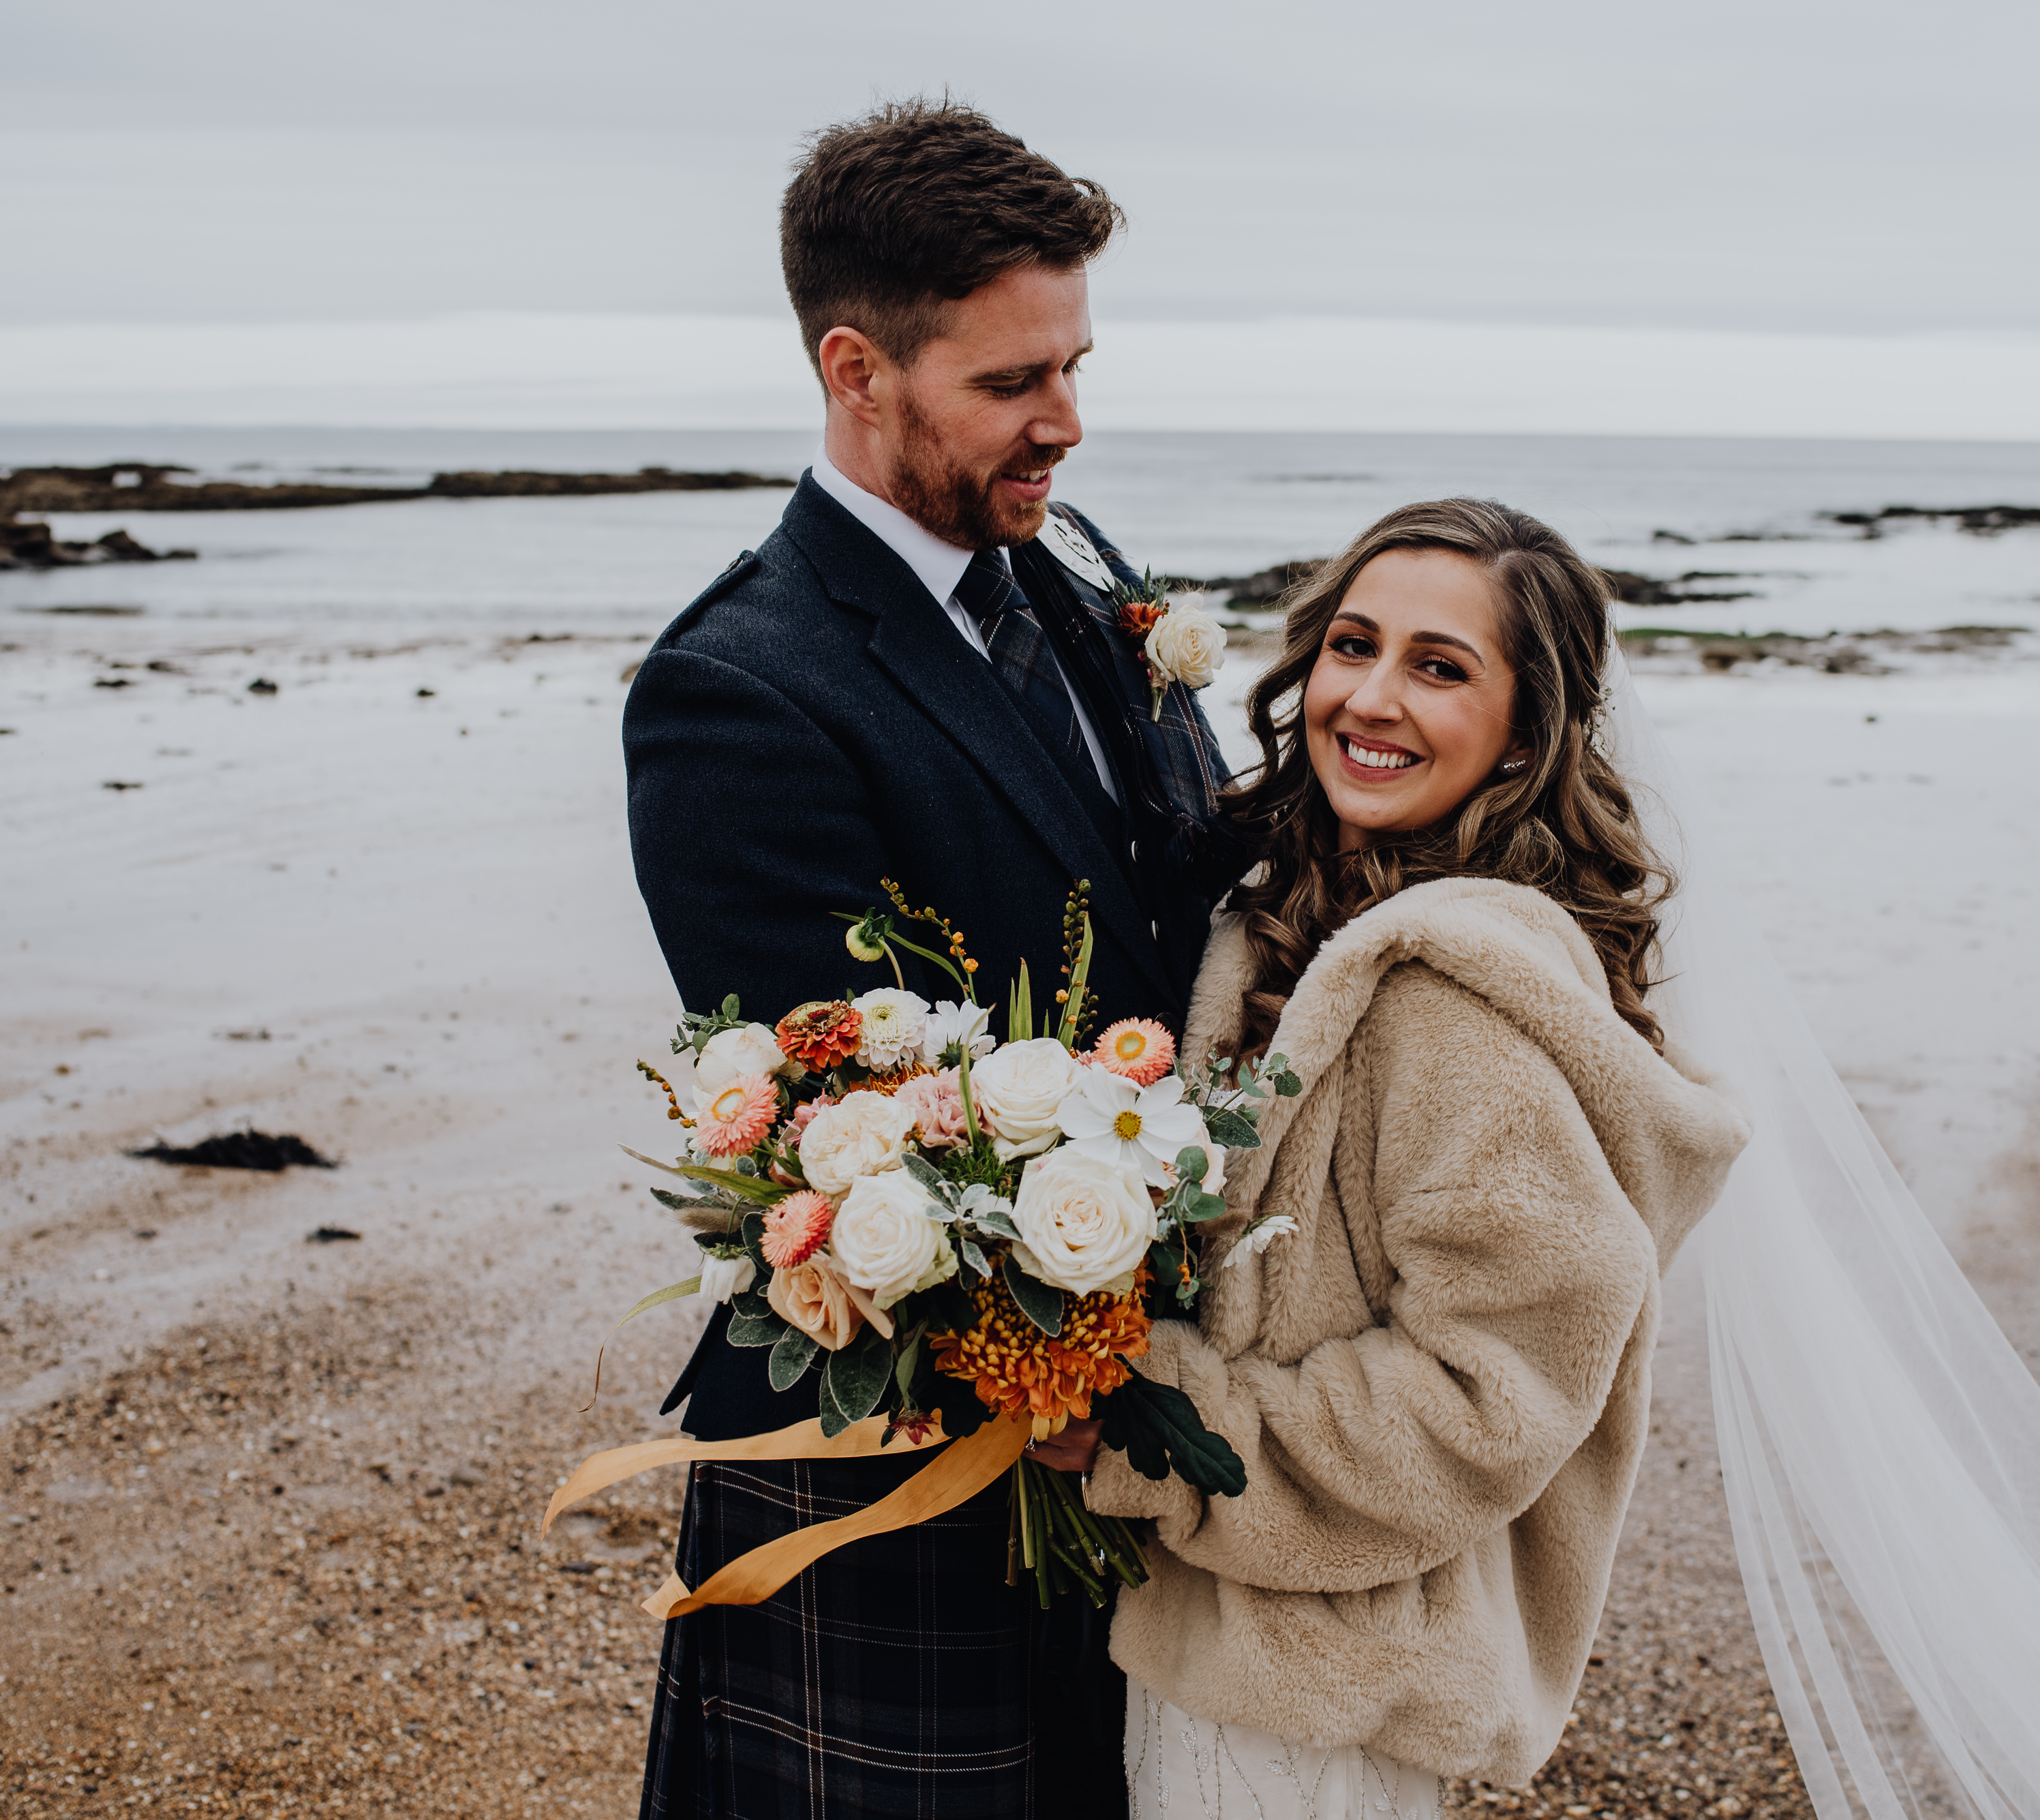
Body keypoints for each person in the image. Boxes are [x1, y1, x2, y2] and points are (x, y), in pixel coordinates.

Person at [621, 100, 1238, 1819]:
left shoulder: (1063, 577)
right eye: (1011, 385)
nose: (1066, 424)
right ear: (854, 369)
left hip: (1106, 1404)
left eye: (1076, 364)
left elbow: (1174, 904)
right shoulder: (736, 690)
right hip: (895, 1427)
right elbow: (847, 1112)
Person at [1082, 500, 1754, 1817]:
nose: (1372, 698)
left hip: (1318, 1679)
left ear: (1526, 730)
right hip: (1243, 1627)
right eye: (1353, 645)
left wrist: (1154, 1423)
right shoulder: (1295, 915)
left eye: (1441, 668)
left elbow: (1490, 1390)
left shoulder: (1455, 999)